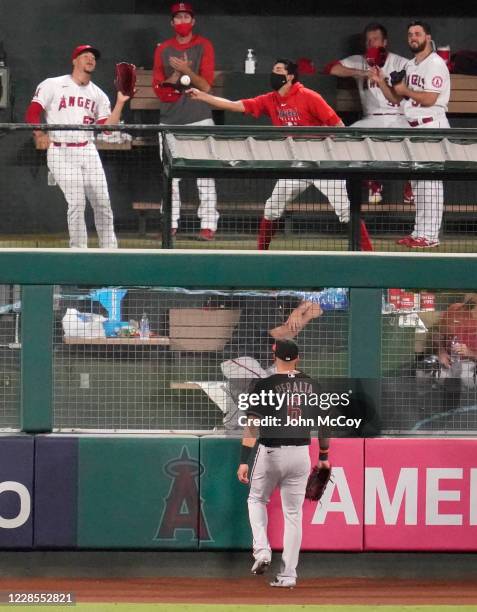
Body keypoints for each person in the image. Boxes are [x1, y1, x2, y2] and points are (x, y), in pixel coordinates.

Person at [188, 58, 373, 251]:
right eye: (273, 70)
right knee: (272, 208)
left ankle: (373, 259)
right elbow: (236, 105)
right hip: (296, 165)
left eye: (278, 70)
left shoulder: (310, 97)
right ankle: (261, 255)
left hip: (323, 162)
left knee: (345, 211)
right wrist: (203, 96)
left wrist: (336, 155)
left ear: (290, 76)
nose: (273, 74)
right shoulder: (271, 99)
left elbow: (339, 126)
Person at [236, 339, 330, 587]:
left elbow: (252, 426)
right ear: (298, 358)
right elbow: (324, 425)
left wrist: (244, 461)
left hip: (271, 452)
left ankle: (262, 551)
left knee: (256, 499)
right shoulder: (314, 385)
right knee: (293, 515)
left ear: (274, 356)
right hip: (301, 454)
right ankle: (288, 575)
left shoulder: (265, 385)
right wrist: (323, 457)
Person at [25, 44, 129, 249]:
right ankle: (78, 252)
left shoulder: (98, 94)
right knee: (77, 203)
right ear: (75, 60)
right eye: (85, 56)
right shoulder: (52, 84)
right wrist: (39, 133)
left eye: (93, 57)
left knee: (103, 204)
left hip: (87, 149)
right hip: (60, 149)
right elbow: (33, 112)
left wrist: (120, 102)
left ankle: (110, 252)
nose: (90, 59)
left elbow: (107, 129)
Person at [370, 20, 450, 248]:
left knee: (430, 185)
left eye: (417, 33)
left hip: (431, 125)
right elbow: (396, 98)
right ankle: (419, 232)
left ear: (428, 37)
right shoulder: (412, 65)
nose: (413, 37)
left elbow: (430, 99)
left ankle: (430, 236)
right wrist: (381, 82)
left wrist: (404, 90)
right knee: (419, 185)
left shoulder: (435, 63)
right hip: (414, 126)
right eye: (410, 34)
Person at [153, 2, 218, 240]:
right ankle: (169, 223)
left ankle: (209, 225)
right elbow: (161, 91)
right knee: (170, 176)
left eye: (186, 17)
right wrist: (176, 74)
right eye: (178, 17)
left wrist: (188, 72)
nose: (182, 21)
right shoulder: (163, 49)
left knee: (205, 174)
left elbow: (206, 86)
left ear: (193, 21)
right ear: (172, 22)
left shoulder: (203, 45)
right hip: (170, 121)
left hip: (199, 118)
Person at [328, 22, 413, 205]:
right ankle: (372, 181)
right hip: (371, 119)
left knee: (418, 137)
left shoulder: (400, 62)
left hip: (397, 117)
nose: (371, 44)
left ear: (385, 42)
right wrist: (362, 72)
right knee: (343, 139)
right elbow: (333, 68)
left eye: (375, 40)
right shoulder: (359, 60)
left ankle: (411, 184)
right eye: (368, 41)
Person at [436, 293, 477, 389]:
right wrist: (441, 352)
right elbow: (437, 334)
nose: (468, 294)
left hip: (472, 369)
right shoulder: (454, 309)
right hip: (449, 364)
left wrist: (471, 353)